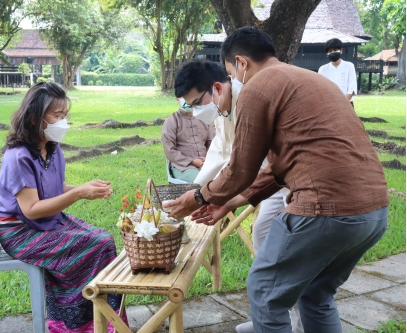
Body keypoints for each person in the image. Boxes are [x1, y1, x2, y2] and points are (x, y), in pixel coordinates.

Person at [165, 26, 389, 333]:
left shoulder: (258, 87)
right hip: (373, 213)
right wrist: (229, 201)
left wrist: (198, 197)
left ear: (241, 64)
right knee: (316, 293)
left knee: (264, 291)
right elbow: (279, 168)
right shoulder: (309, 79)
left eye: (231, 73)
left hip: (327, 209)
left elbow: (240, 169)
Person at [174, 58, 294, 333]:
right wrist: (197, 190)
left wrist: (203, 196)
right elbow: (219, 149)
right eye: (188, 106)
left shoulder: (249, 102)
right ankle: (270, 319)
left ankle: (275, 319)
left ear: (217, 87)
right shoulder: (223, 110)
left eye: (195, 103)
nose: (194, 111)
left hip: (279, 179)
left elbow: (240, 166)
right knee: (263, 239)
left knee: (280, 258)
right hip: (270, 180)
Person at [0, 82, 126, 333]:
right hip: (21, 231)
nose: (62, 122)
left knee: (103, 240)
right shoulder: (18, 157)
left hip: (48, 222)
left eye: (65, 116)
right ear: (35, 118)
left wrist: (86, 189)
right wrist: (79, 194)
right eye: (57, 116)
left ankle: (105, 323)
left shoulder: (53, 150)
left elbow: (56, 187)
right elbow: (31, 209)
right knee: (96, 244)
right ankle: (74, 325)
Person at [161, 97, 215, 183]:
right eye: (183, 97)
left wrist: (207, 159)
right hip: (183, 167)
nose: (186, 100)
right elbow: (169, 150)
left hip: (207, 163)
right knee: (201, 182)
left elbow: (213, 143)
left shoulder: (203, 119)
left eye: (189, 96)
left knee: (223, 181)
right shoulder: (171, 121)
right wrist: (192, 162)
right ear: (177, 100)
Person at [318, 38, 358, 107]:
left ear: (341, 50)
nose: (332, 53)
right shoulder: (323, 69)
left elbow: (352, 88)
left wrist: (343, 103)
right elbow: (321, 89)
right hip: (329, 105)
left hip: (347, 103)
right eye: (330, 51)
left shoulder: (349, 66)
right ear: (327, 53)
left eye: (335, 50)